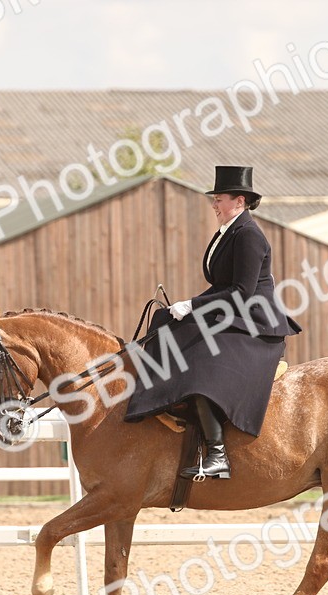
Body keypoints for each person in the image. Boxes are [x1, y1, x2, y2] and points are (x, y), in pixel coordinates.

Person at [124, 165, 301, 479]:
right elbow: (221, 285)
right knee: (166, 320)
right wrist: (186, 307)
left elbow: (242, 292)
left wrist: (193, 305)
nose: (214, 205)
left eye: (219, 199)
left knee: (203, 365)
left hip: (255, 323)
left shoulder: (248, 235)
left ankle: (217, 454)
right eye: (215, 199)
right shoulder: (228, 231)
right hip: (234, 313)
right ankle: (166, 404)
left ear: (239, 201)